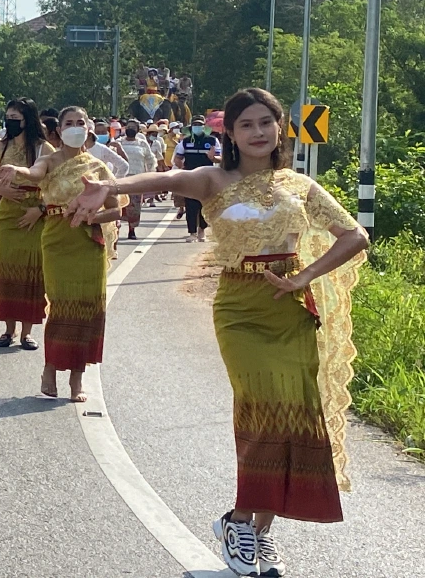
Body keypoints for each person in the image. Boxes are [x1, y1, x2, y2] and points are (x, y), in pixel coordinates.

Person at [67, 88, 368, 578]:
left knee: (295, 416)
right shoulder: (213, 178)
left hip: (289, 309)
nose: (257, 132)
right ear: (229, 132)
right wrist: (111, 187)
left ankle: (258, 530)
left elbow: (355, 235)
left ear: (279, 128)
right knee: (264, 409)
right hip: (240, 310)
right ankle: (239, 521)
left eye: (265, 122)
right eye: (246, 124)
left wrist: (305, 276)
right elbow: (168, 177)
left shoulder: (300, 185)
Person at [0, 105, 120, 403]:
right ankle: (50, 368)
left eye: (80, 123)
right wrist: (17, 170)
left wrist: (91, 216)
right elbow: (34, 173)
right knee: (61, 306)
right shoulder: (48, 160)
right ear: (59, 130)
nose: (75, 127)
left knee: (87, 309)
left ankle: (77, 378)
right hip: (56, 239)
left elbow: (116, 210)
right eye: (69, 123)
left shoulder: (98, 167)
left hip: (88, 243)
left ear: (88, 128)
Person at [0, 98, 54, 349]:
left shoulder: (44, 149)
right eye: (8, 118)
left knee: (32, 271)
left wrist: (40, 210)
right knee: (6, 270)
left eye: (15, 118)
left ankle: (26, 333)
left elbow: (56, 186)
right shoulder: (1, 147)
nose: (10, 122)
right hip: (7, 214)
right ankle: (8, 330)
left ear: (28, 120)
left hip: (35, 213)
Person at [175, 114, 220, 242]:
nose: (197, 127)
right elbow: (178, 158)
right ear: (191, 126)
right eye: (195, 125)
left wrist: (213, 158)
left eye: (200, 125)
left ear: (204, 126)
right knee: (190, 205)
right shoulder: (185, 141)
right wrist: (181, 167)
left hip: (207, 177)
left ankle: (202, 230)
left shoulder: (212, 141)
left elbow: (220, 157)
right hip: (190, 177)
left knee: (205, 205)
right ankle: (192, 233)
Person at [118, 119, 158, 240]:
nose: (130, 129)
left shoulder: (142, 144)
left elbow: (150, 159)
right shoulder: (118, 142)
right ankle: (116, 230)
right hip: (121, 179)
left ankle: (132, 230)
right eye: (128, 127)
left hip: (137, 179)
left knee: (135, 206)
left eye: (133, 127)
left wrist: (150, 173)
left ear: (137, 130)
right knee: (118, 205)